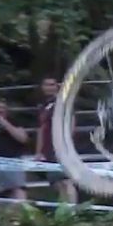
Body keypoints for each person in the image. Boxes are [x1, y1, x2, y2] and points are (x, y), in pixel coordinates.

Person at [35, 76, 79, 205]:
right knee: (56, 183)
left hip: (61, 148)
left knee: (66, 181)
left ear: (57, 86)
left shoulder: (63, 102)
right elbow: (41, 129)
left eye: (52, 84)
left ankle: (72, 211)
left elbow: (71, 122)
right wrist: (39, 152)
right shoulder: (43, 106)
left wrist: (64, 145)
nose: (49, 87)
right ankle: (65, 211)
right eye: (46, 85)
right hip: (48, 150)